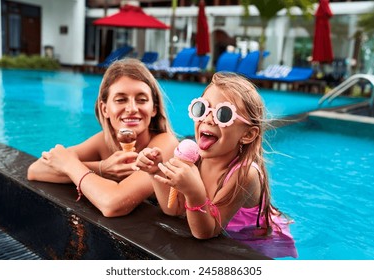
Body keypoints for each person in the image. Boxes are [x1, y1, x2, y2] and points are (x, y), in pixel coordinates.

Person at [135, 72, 297, 258]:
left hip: (250, 240)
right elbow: (174, 209)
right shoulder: (194, 157)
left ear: (247, 135)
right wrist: (154, 170)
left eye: (223, 114)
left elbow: (206, 232)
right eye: (202, 109)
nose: (208, 119)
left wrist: (194, 192)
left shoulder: (245, 174)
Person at [27, 58, 178, 217]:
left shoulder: (165, 144)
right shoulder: (103, 142)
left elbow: (113, 204)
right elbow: (35, 169)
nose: (132, 108)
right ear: (104, 108)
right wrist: (101, 168)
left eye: (142, 100)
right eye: (121, 99)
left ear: (153, 109)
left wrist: (70, 164)